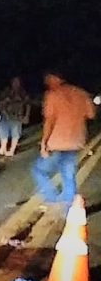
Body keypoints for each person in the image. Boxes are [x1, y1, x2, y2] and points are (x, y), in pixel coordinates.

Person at [32, 71, 96, 208]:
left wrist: (44, 142)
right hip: (75, 141)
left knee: (39, 171)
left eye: (48, 78)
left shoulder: (52, 95)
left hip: (56, 142)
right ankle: (69, 209)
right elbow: (91, 114)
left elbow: (49, 121)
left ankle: (52, 197)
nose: (46, 82)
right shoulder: (82, 93)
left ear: (56, 78)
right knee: (68, 175)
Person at [0, 76, 30, 156]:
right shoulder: (6, 91)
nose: (16, 84)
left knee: (15, 133)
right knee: (3, 131)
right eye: (14, 82)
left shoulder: (22, 92)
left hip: (17, 116)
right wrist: (4, 104)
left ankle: (12, 150)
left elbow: (28, 104)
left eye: (17, 82)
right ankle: (3, 148)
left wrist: (26, 116)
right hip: (6, 115)